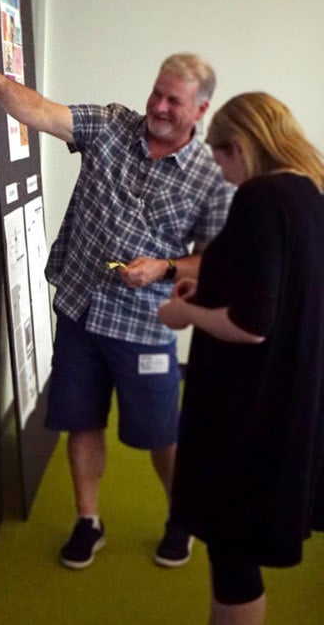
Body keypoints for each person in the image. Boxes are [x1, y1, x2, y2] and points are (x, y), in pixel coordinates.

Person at [0, 49, 234, 569]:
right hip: (80, 309)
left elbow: (215, 262)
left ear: (200, 111)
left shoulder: (209, 176)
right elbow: (41, 111)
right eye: (156, 92)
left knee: (162, 434)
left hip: (147, 322)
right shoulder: (111, 125)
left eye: (173, 100)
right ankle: (89, 521)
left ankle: (181, 518)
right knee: (80, 420)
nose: (157, 105)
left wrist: (167, 268)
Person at [157, 92, 324, 624]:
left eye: (220, 156)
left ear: (241, 147)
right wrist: (202, 291)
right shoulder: (311, 195)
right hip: (292, 400)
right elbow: (275, 290)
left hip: (247, 413)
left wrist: (185, 317)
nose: (221, 173)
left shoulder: (260, 198)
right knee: (238, 553)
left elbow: (252, 326)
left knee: (232, 557)